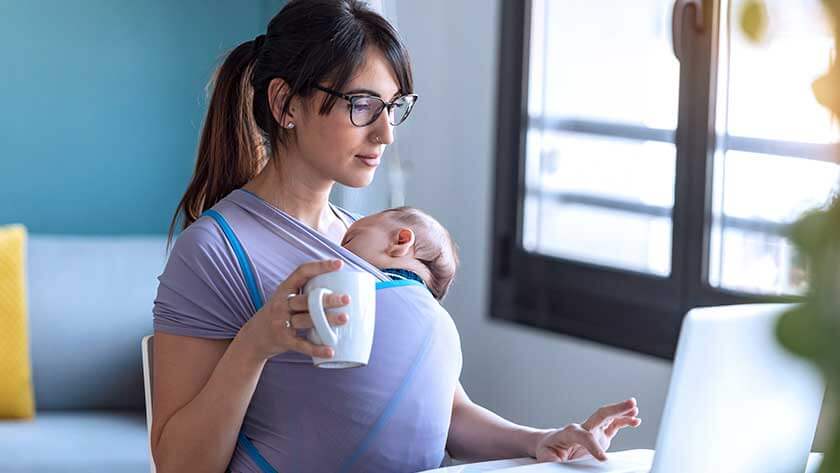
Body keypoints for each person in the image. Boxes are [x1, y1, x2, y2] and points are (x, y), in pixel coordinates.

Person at [150, 1, 641, 472]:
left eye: (393, 106)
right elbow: (179, 464)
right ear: (284, 103)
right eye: (362, 105)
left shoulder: (364, 240)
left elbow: (443, 413)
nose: (386, 133)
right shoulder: (214, 252)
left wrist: (540, 441)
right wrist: (255, 344)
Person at [340, 206, 459, 300]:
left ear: (401, 241)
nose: (340, 249)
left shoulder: (386, 286)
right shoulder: (420, 300)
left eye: (350, 239)